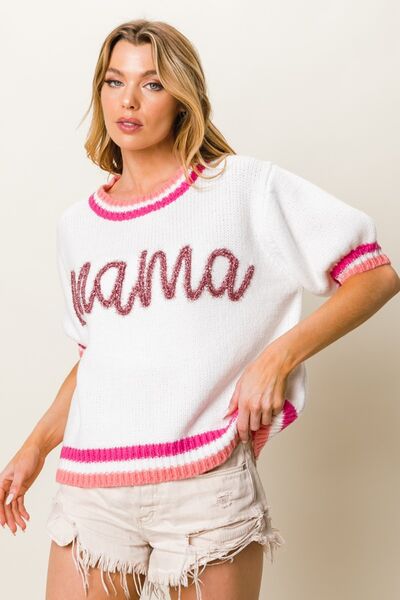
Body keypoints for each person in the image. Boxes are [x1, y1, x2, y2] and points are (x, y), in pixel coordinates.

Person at [1, 18, 399, 600]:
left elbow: (375, 276)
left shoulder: (244, 189)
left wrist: (276, 359)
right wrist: (33, 448)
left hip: (205, 484)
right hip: (93, 487)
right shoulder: (78, 226)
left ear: (183, 98)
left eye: (152, 83)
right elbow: (97, 359)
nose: (129, 100)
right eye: (114, 81)